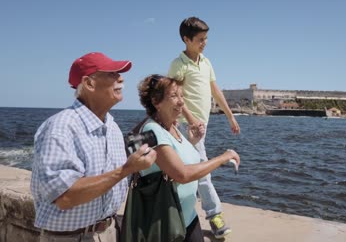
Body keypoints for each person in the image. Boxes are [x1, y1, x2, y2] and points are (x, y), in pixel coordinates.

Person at [30, 52, 157, 242]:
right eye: (112, 74)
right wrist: (127, 169)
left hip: (108, 232)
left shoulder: (112, 126)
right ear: (89, 83)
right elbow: (65, 197)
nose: (120, 78)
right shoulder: (61, 127)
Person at [136, 74, 240, 242]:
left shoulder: (174, 128)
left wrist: (191, 142)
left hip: (188, 218)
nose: (181, 102)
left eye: (182, 96)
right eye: (174, 96)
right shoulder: (151, 131)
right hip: (164, 223)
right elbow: (182, 174)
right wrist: (223, 157)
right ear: (156, 102)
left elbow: (178, 158)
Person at [167, 16, 240, 238]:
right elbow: (175, 97)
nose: (204, 42)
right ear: (186, 39)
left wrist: (230, 116)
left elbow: (215, 91)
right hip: (184, 127)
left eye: (206, 38)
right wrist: (190, 120)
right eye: (200, 39)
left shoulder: (206, 62)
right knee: (202, 169)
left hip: (201, 126)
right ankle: (215, 215)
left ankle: (174, 213)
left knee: (183, 170)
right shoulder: (178, 64)